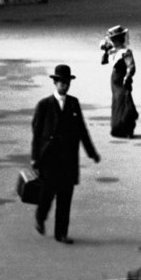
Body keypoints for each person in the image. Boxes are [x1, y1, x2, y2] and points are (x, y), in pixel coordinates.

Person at [30, 64, 101, 243]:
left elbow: (82, 130)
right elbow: (37, 133)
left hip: (68, 158)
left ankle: (61, 233)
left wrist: (91, 152)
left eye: (67, 82)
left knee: (65, 197)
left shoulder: (73, 103)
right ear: (55, 83)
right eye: (61, 82)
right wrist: (34, 158)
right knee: (47, 193)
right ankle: (40, 216)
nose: (64, 86)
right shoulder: (44, 105)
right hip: (49, 158)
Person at [102, 26, 139, 138]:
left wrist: (128, 76)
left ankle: (127, 128)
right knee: (117, 102)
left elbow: (131, 66)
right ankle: (118, 128)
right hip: (115, 81)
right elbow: (103, 62)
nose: (111, 41)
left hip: (122, 80)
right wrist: (105, 51)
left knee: (124, 101)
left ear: (119, 39)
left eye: (113, 39)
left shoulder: (125, 52)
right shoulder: (113, 52)